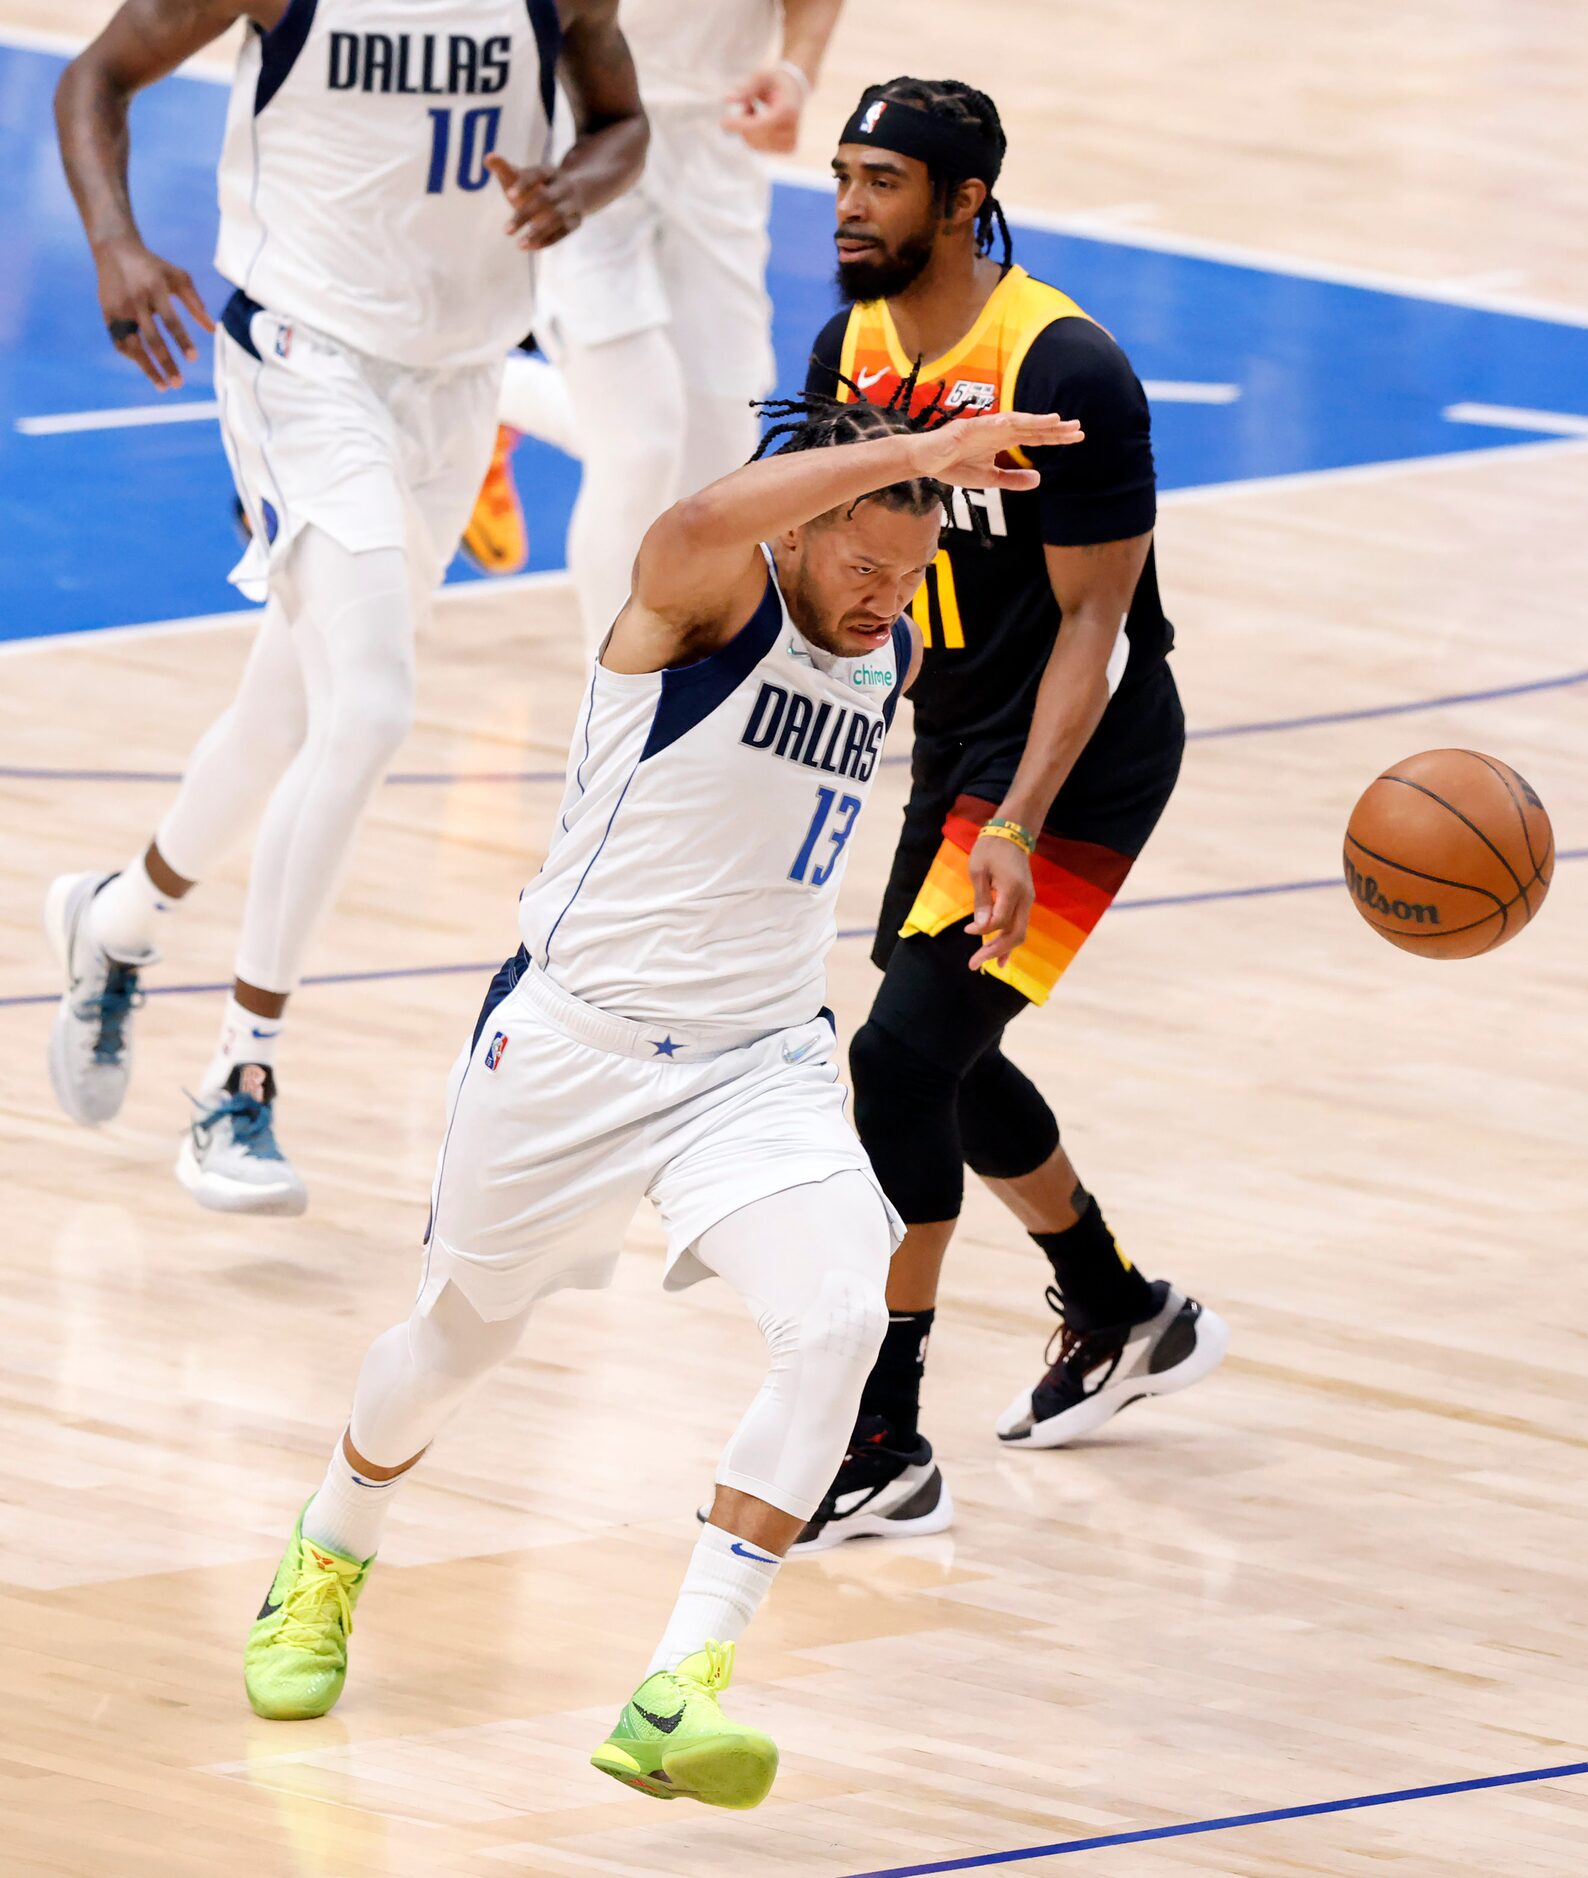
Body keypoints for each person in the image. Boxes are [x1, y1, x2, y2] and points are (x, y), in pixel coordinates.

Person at [240, 390, 1081, 1810]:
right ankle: (328, 1548)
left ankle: (678, 1683)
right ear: (798, 530)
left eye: (908, 567)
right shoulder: (700, 608)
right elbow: (693, 519)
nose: (886, 594)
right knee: (455, 1343)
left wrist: (1001, 831)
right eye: (862, 561)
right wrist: (920, 454)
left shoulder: (896, 646)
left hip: (752, 1065)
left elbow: (980, 705)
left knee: (838, 1319)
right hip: (571, 1045)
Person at [45, 0, 646, 1214]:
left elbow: (624, 124)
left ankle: (117, 916)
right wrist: (116, 243)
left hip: (459, 375)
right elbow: (96, 77)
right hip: (304, 359)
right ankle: (240, 1075)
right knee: (369, 710)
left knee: (289, 708)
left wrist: (575, 186)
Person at [792, 76, 1230, 1552]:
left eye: (885, 181)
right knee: (949, 1055)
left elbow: (1095, 630)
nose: (850, 204)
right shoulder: (849, 345)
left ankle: (882, 1436)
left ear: (965, 201)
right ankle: (1118, 1308)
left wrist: (1018, 821)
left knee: (900, 1062)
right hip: (958, 734)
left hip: (1082, 748)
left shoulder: (1068, 367)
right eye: (845, 175)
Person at [460, 0, 846, 642]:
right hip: (582, 136)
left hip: (717, 137)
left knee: (718, 461)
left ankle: (496, 394)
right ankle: (609, 712)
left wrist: (797, 73)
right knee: (640, 447)